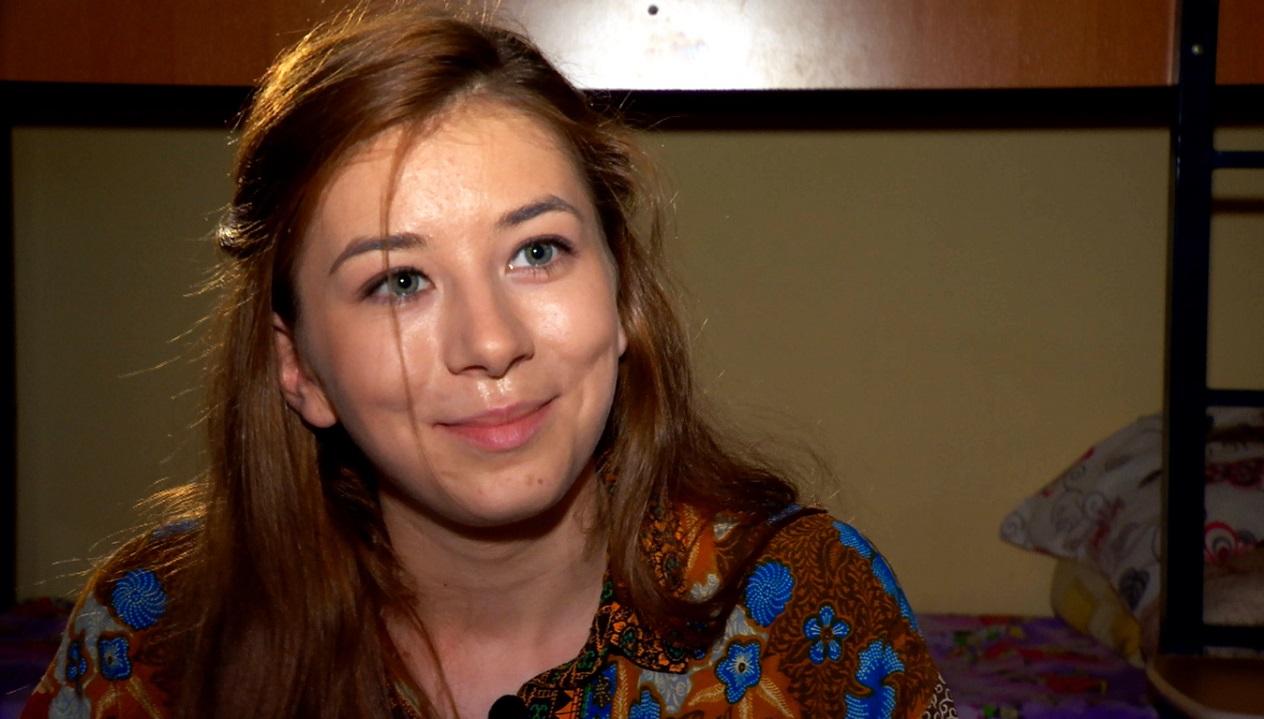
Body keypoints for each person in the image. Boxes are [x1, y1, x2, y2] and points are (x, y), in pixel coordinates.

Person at [23, 5, 953, 718]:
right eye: (399, 281)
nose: (492, 342)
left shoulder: (801, 610)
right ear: (296, 366)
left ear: (622, 296)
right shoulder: (152, 641)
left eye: (537, 252)